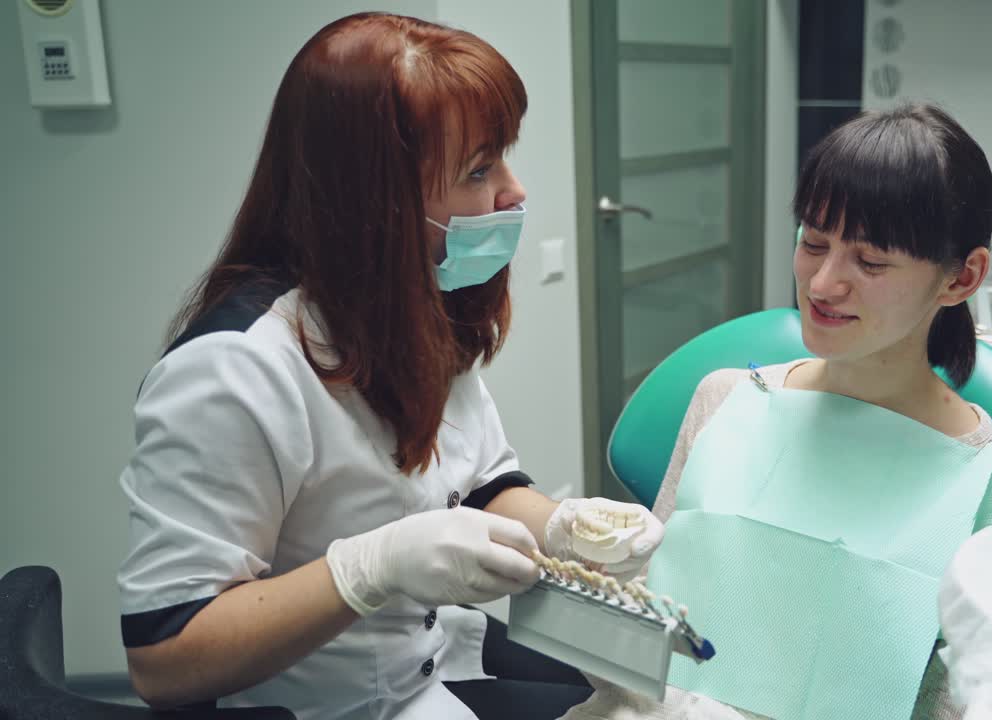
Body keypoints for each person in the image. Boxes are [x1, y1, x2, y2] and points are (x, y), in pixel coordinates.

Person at [115, 13, 663, 720]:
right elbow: (164, 658)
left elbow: (483, 481)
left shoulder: (413, 298)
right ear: (375, 197)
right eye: (479, 169)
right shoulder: (233, 373)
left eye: (503, 157)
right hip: (335, 704)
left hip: (440, 649)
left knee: (644, 692)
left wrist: (567, 526)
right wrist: (365, 571)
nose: (515, 191)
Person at [562, 104, 992, 720]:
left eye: (871, 261)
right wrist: (581, 586)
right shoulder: (724, 402)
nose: (823, 284)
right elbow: (651, 634)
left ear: (961, 278)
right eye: (813, 242)